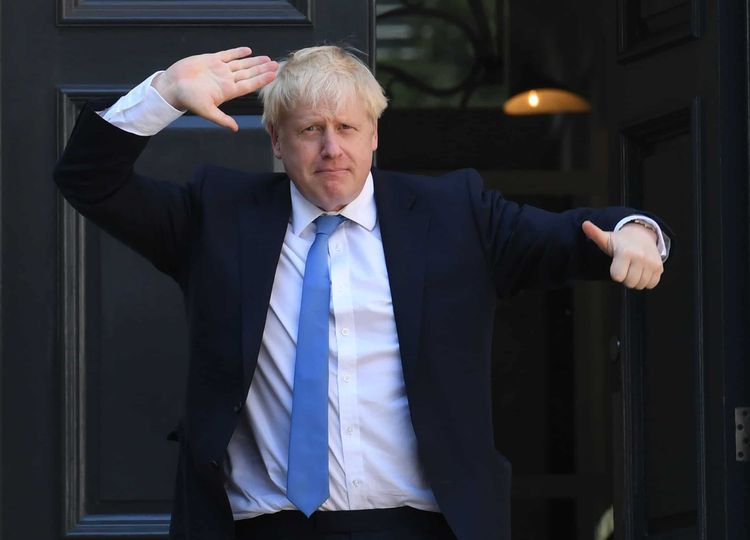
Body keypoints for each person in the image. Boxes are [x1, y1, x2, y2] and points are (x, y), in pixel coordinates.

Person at [54, 45, 669, 540]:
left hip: (419, 525)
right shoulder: (217, 215)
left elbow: (571, 237)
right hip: (260, 526)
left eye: (347, 127)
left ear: (374, 135)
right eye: (310, 130)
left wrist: (636, 232)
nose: (332, 149)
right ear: (276, 141)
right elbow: (89, 181)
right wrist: (162, 93)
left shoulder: (454, 215)